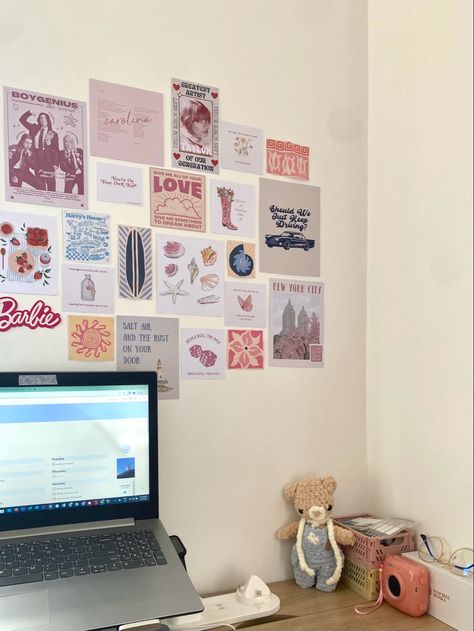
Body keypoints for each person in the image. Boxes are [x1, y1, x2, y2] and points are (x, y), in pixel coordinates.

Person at [19, 110, 59, 190]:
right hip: (36, 159)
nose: (43, 120)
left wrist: (55, 163)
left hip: (48, 160)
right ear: (38, 120)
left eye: (44, 118)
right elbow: (22, 120)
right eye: (41, 118)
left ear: (48, 120)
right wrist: (29, 112)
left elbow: (56, 150)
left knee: (51, 183)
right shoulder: (34, 128)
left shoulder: (53, 133)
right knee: (40, 184)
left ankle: (52, 201)